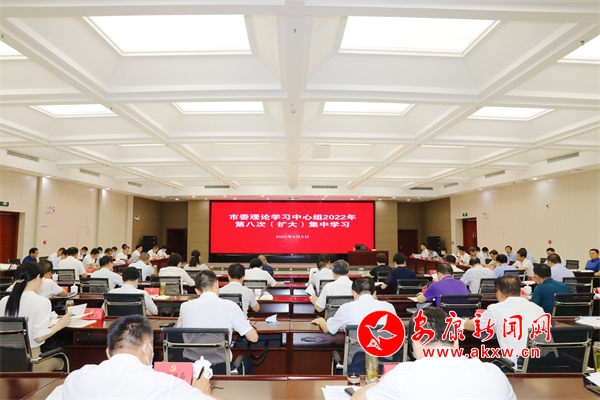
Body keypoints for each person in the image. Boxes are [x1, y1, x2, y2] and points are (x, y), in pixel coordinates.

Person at [351, 308, 517, 400]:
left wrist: (379, 381)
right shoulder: (494, 372)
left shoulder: (401, 375)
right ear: (456, 342)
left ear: (416, 344)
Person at [62, 315, 215, 399]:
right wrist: (201, 393)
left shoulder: (75, 379)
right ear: (146, 347)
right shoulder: (166, 385)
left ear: (108, 353)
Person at [177, 270, 258, 374]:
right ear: (217, 284)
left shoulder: (185, 307)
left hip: (193, 367)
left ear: (197, 291)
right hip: (221, 368)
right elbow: (253, 338)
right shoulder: (230, 306)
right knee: (248, 365)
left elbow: (178, 332)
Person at [312, 277, 397, 374]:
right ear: (374, 293)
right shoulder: (389, 307)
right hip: (386, 367)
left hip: (357, 366)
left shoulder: (346, 308)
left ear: (353, 292)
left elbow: (327, 329)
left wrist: (321, 320)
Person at [0, 262, 72, 371]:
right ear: (38, 277)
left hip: (4, 361)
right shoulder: (42, 302)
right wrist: (59, 325)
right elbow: (38, 338)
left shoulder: (4, 301)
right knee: (62, 360)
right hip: (31, 362)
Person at [465, 276, 545, 368]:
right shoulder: (538, 308)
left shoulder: (496, 309)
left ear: (499, 293)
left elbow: (471, 326)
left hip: (516, 365)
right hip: (545, 363)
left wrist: (463, 322)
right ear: (520, 291)